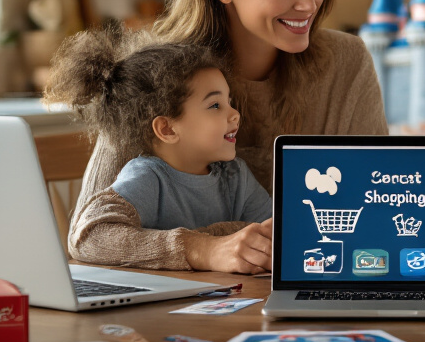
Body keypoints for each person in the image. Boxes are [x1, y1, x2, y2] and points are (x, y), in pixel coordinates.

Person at [67, 0, 388, 271]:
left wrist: (234, 240)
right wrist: (205, 248)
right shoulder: (156, 72)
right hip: (185, 301)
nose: (308, 2)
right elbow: (88, 236)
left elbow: (376, 213)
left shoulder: (347, 62)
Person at [46, 32, 272, 273]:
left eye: (229, 101)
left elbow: (276, 232)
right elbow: (91, 235)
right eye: (215, 105)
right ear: (167, 129)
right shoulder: (148, 178)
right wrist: (207, 248)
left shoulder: (236, 175)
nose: (235, 114)